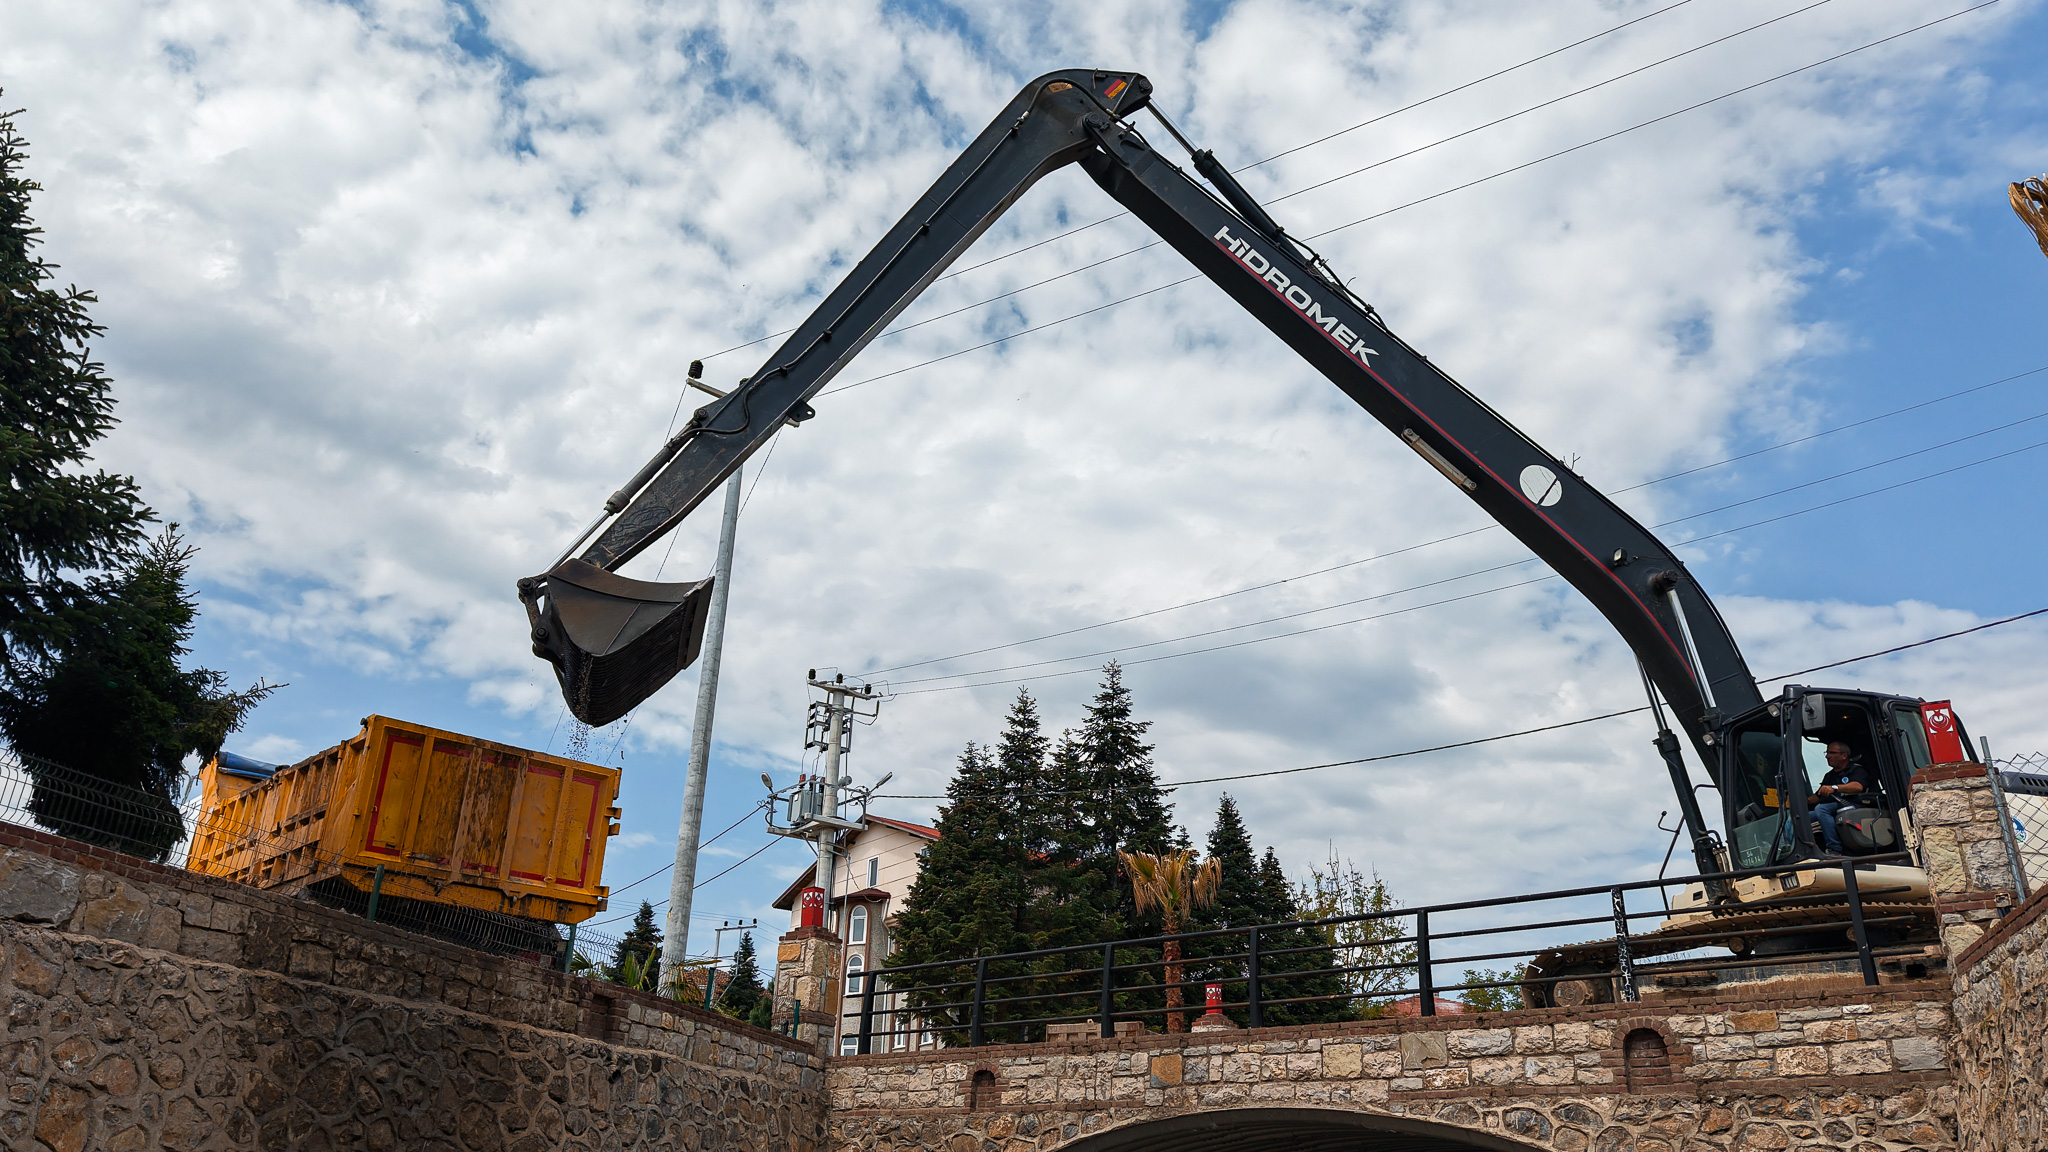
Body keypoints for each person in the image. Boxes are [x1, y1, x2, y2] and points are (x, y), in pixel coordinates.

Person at [1809, 742, 1878, 855]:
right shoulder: (1829, 776)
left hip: (1854, 805)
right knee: (1796, 817)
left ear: (1844, 755)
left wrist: (1835, 788)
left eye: (1832, 753)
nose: (1827, 756)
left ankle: (1834, 849)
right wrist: (1801, 801)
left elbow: (1858, 787)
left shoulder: (1856, 770)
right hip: (1834, 807)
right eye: (1827, 752)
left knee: (1822, 809)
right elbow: (1817, 796)